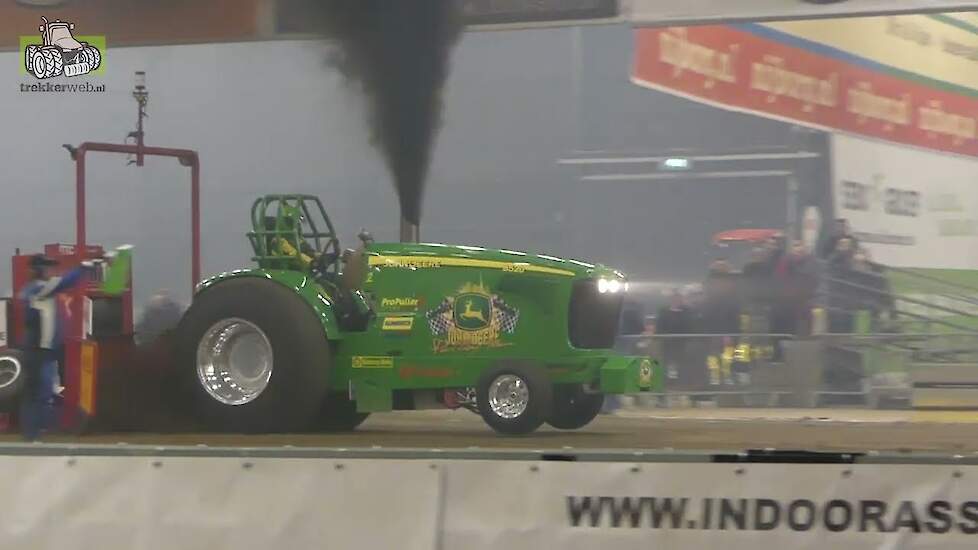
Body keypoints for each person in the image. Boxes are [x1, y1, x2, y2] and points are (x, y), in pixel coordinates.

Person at [17, 254, 94, 441]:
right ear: (37, 270)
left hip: (46, 351)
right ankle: (32, 435)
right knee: (38, 392)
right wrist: (85, 266)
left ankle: (36, 434)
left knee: (43, 392)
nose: (51, 270)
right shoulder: (38, 288)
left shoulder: (39, 289)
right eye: (47, 266)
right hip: (37, 351)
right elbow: (65, 282)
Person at [655, 290, 693, 382]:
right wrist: (658, 337)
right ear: (670, 300)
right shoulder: (663, 311)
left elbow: (690, 325)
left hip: (682, 342)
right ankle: (664, 381)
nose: (676, 301)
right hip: (667, 342)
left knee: (682, 362)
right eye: (674, 299)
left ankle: (682, 381)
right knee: (665, 361)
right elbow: (660, 325)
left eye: (678, 299)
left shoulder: (688, 311)